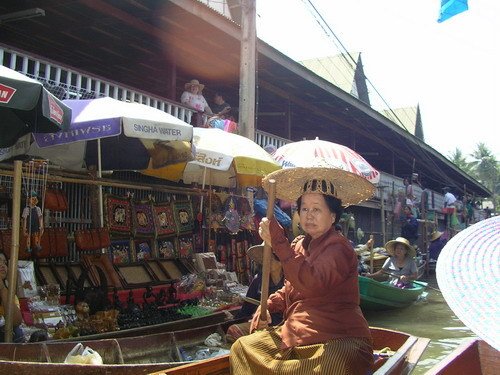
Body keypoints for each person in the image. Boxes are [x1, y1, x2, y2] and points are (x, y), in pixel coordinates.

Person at [230, 170, 374, 374]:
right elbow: (291, 289)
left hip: (337, 336)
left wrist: (278, 242)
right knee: (242, 348)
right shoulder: (298, 245)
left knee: (330, 368)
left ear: (333, 216)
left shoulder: (339, 248)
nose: (309, 215)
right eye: (304, 208)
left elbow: (311, 282)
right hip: (295, 333)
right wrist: (269, 307)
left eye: (317, 209)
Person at [226, 244, 284, 342]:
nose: (266, 263)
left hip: (286, 324)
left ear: (281, 262)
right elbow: (247, 308)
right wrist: (234, 319)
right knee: (233, 331)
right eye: (264, 260)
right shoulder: (259, 280)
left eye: (270, 259)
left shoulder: (290, 279)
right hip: (264, 324)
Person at [0, 251, 24, 342]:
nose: (2, 265)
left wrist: (2, 288)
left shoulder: (7, 292)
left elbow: (16, 321)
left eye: (5, 263)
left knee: (16, 332)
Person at [22, 191, 44, 255]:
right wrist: (24, 228)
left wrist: (41, 226)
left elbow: (40, 218)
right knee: (28, 236)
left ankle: (37, 245)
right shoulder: (26, 209)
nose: (34, 200)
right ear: (29, 199)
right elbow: (25, 219)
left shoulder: (38, 209)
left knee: (36, 235)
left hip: (36, 224)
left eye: (35, 199)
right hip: (29, 224)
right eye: (32, 199)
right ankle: (28, 247)